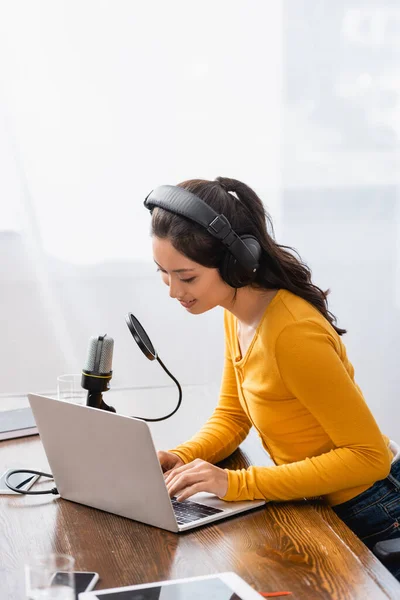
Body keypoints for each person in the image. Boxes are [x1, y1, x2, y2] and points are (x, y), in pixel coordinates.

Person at [145, 177, 400, 579]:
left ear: (235, 261)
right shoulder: (238, 312)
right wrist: (182, 458)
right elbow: (232, 416)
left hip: (372, 511)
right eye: (163, 272)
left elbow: (368, 457)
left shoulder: (293, 335)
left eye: (187, 276)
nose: (173, 290)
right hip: (317, 506)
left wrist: (236, 484)